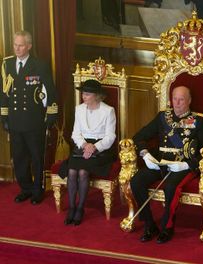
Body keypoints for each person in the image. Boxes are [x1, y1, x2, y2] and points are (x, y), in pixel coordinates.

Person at [131, 85, 203, 244]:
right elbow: (139, 137)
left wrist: (188, 165)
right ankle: (149, 224)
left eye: (181, 99)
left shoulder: (199, 121)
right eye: (175, 98)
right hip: (161, 162)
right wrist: (145, 154)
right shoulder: (163, 117)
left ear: (189, 101)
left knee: (170, 187)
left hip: (183, 165)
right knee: (136, 181)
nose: (177, 103)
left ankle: (167, 227)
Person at [0, 30, 58, 205]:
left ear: (29, 46)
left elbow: (50, 91)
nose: (17, 48)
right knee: (19, 157)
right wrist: (4, 115)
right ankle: (25, 188)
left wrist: (51, 113)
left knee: (36, 156)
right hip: (16, 119)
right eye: (15, 45)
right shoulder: (7, 64)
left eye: (21, 45)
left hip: (34, 120)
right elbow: (4, 92)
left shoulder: (39, 65)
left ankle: (37, 190)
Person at [62, 79, 116, 226]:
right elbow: (75, 133)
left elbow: (110, 137)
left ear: (96, 96)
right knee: (72, 171)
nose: (83, 97)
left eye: (87, 94)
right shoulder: (79, 109)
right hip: (81, 146)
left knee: (83, 172)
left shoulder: (108, 110)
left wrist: (94, 147)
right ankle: (72, 207)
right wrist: (85, 144)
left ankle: (80, 209)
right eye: (83, 94)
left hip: (101, 149)